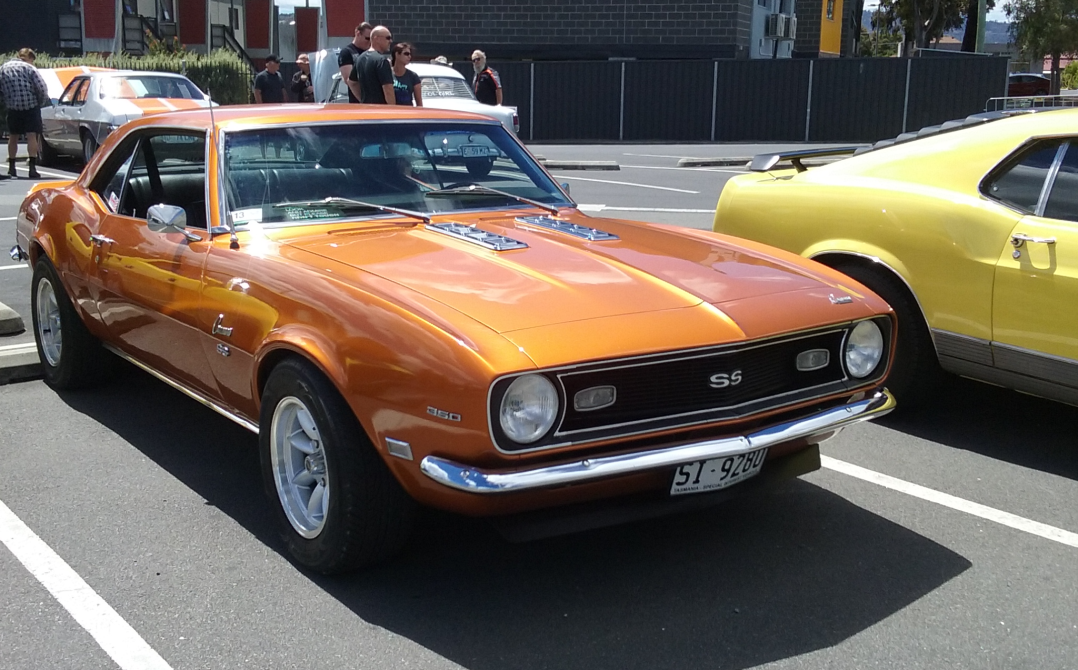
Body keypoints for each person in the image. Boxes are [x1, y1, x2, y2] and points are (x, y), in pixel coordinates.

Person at [0, 48, 49, 179]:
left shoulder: (3, 68)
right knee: (32, 135)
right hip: (31, 106)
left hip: (12, 107)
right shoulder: (29, 68)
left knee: (13, 136)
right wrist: (41, 101)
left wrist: (6, 101)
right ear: (29, 58)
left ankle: (11, 168)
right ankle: (32, 168)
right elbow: (42, 87)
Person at [354, 25, 395, 105]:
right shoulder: (381, 61)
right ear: (377, 38)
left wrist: (362, 99)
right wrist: (393, 110)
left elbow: (352, 82)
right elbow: (388, 90)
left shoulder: (360, 58)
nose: (390, 41)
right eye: (388, 38)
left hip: (366, 110)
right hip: (380, 111)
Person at [339, 22, 372, 103]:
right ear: (358, 34)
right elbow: (348, 80)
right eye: (367, 38)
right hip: (358, 100)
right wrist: (362, 99)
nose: (369, 42)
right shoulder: (347, 52)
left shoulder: (370, 52)